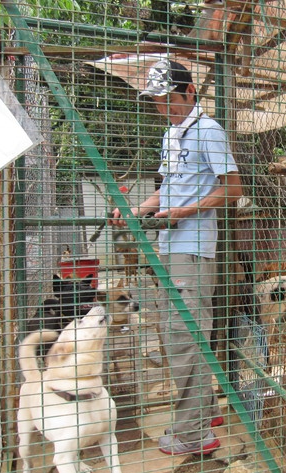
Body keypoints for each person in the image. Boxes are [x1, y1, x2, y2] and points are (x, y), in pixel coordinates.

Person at [109, 59, 242, 455]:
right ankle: (203, 412)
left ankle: (194, 434)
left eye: (169, 99)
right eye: (156, 100)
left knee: (185, 338)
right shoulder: (170, 136)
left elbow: (233, 189)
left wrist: (187, 211)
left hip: (194, 249)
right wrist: (137, 209)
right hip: (170, 246)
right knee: (180, 334)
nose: (162, 107)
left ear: (189, 93)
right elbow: (166, 190)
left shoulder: (208, 131)